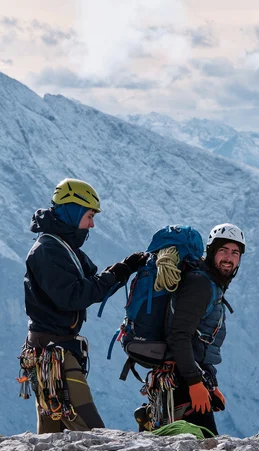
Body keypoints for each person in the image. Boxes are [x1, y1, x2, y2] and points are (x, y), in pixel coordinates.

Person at [23, 178, 148, 433]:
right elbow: (76, 295)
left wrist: (124, 268)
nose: (92, 224)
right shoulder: (47, 250)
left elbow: (92, 281)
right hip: (55, 354)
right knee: (92, 433)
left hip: (52, 352)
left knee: (53, 432)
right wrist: (120, 271)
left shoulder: (63, 246)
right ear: (73, 211)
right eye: (89, 216)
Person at [164, 223, 245, 436]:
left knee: (197, 445)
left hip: (188, 377)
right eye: (223, 250)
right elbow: (179, 336)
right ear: (211, 252)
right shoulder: (200, 283)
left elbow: (200, 342)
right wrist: (194, 383)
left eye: (235, 253)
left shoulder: (212, 284)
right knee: (205, 445)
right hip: (181, 381)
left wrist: (210, 384)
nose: (229, 258)